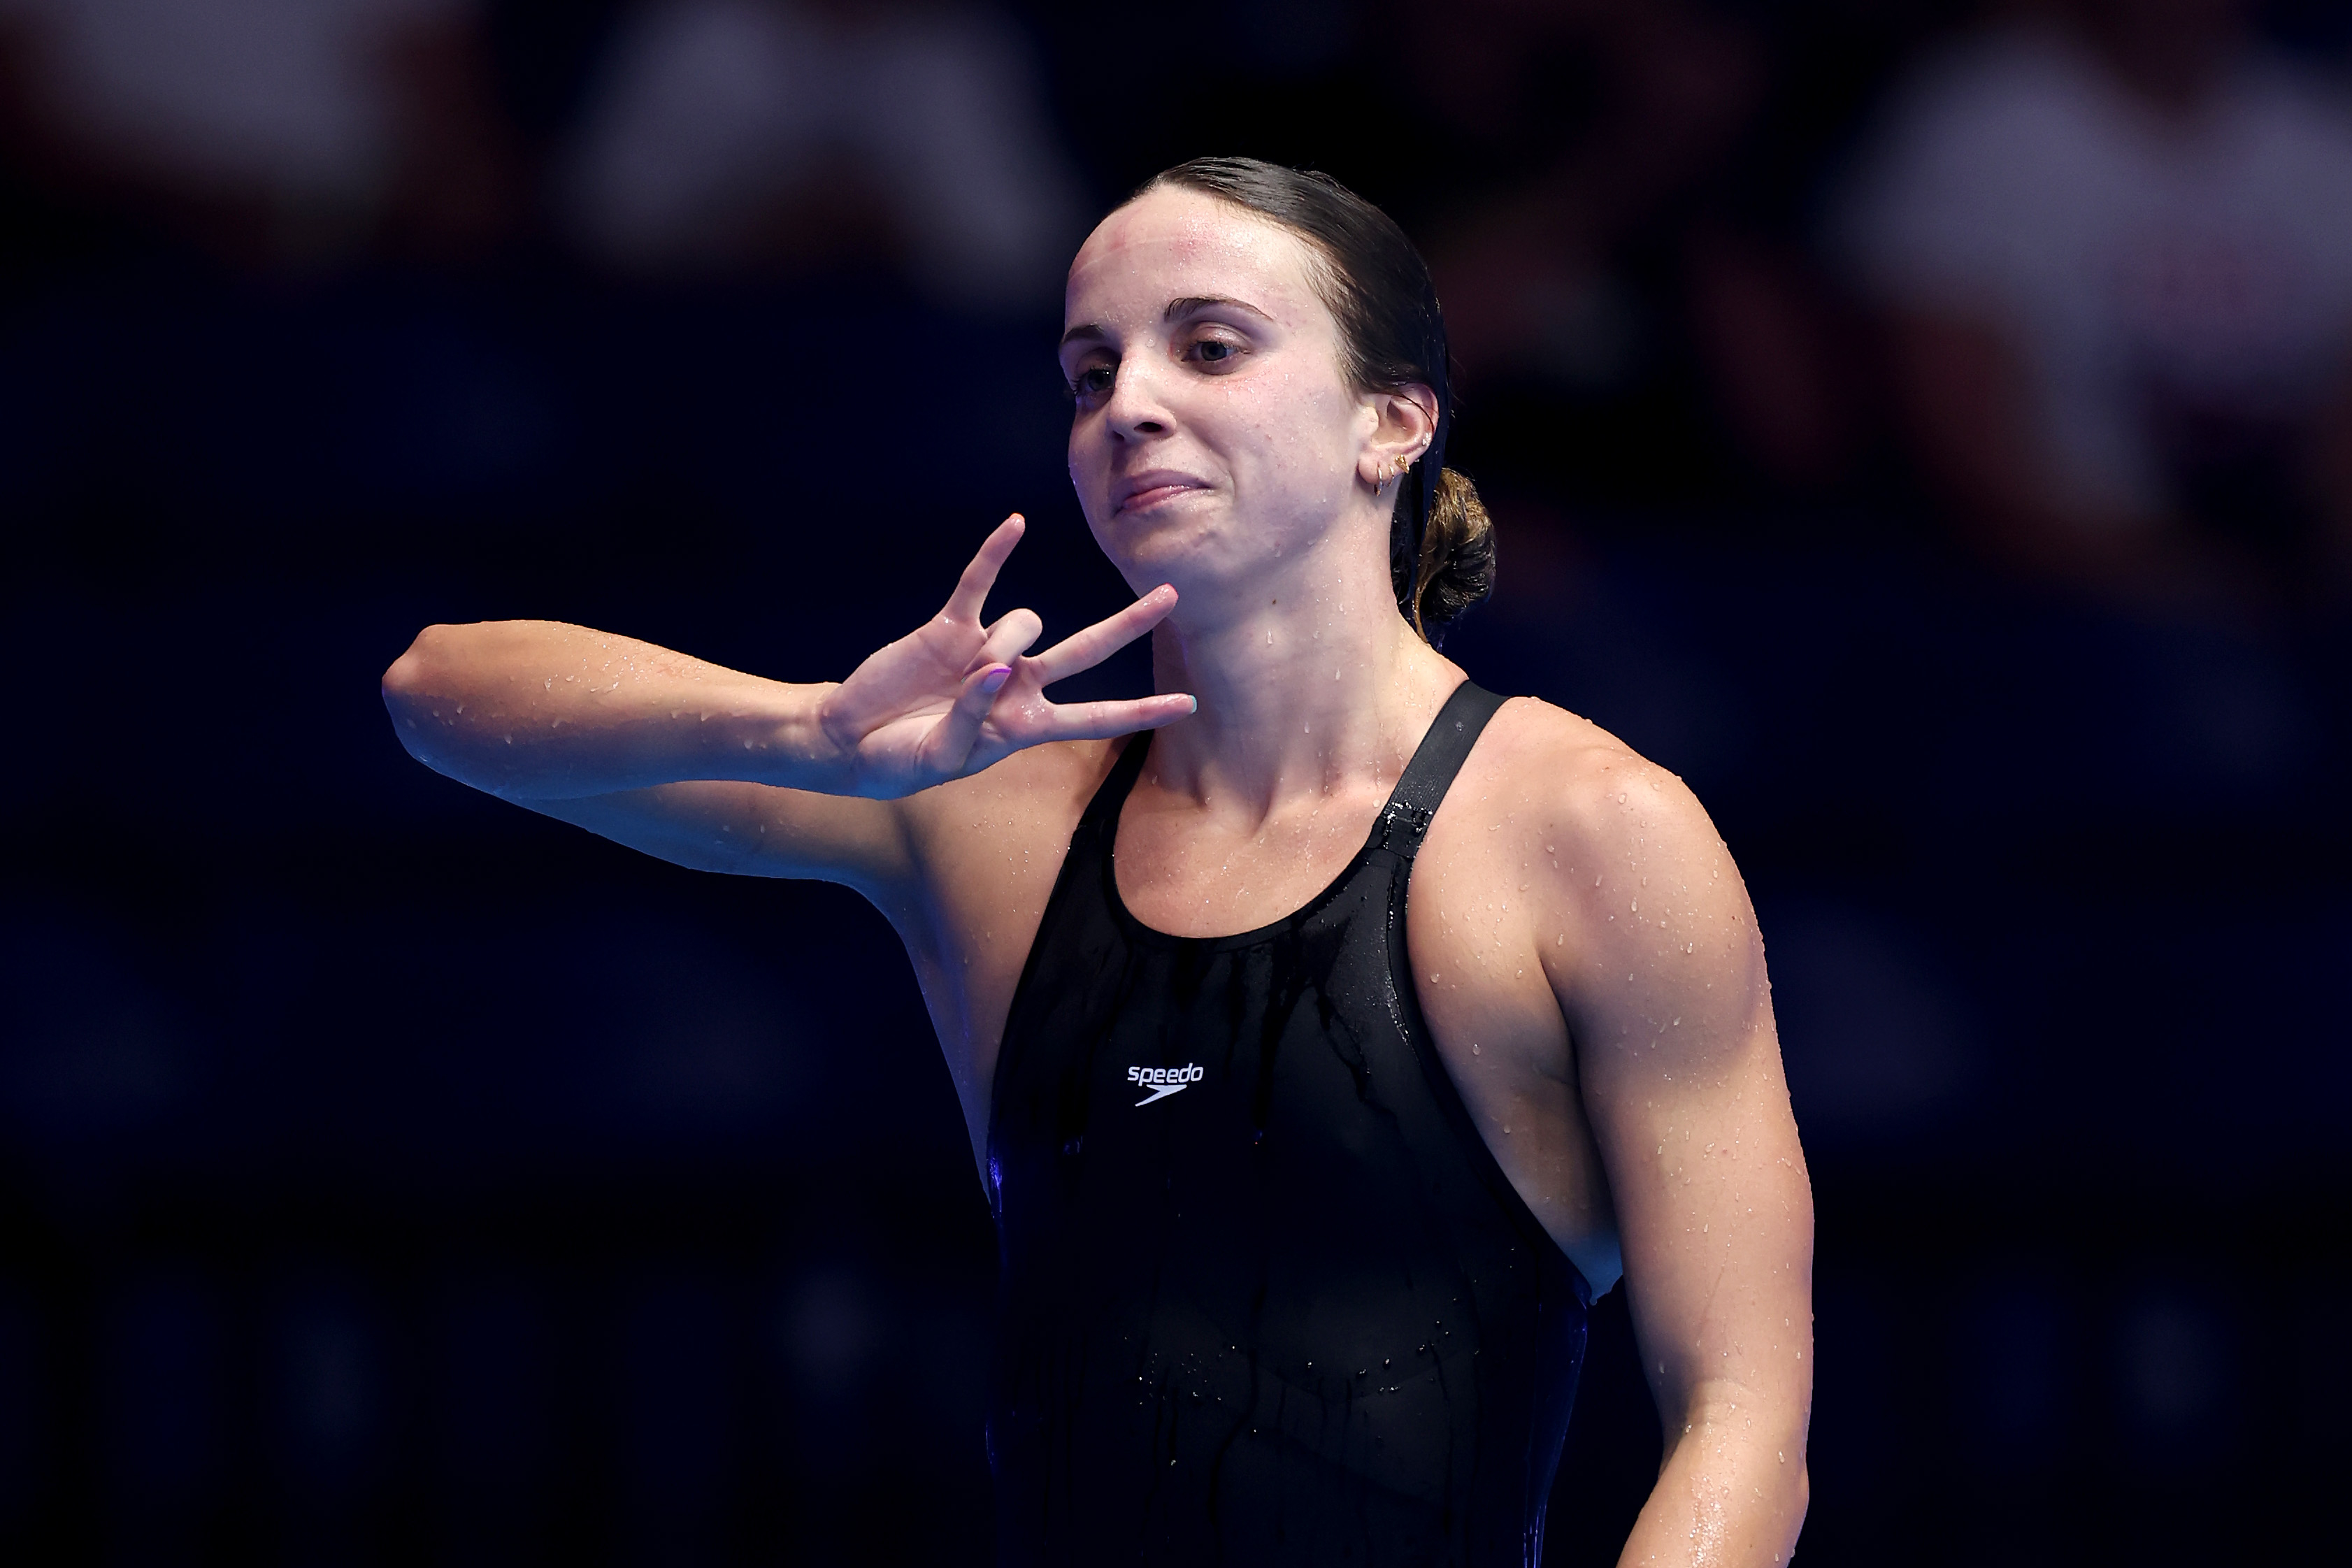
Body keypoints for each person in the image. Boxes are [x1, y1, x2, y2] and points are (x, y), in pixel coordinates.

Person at [382, 157, 1812, 1566]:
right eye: (1087, 372)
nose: (1128, 403)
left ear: (1390, 421)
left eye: (1207, 346)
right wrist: (811, 731)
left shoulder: (1584, 832)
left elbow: (1740, 1419)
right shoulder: (986, 811)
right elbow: (440, 696)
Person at [1833, 0, 2352, 600]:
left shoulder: (2320, 131)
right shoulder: (1975, 122)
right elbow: (1963, 455)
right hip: (2049, 587)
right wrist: (2178, 576)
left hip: (2289, 570)